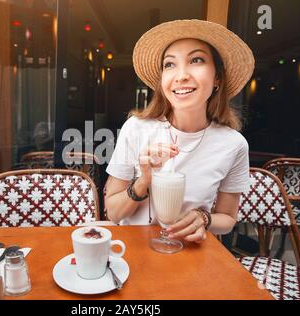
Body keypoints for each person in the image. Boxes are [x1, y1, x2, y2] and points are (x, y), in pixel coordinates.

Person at [104, 20, 255, 243]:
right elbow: (114, 213)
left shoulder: (233, 145)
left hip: (190, 252)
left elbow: (228, 218)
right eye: (169, 64)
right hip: (133, 251)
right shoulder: (136, 128)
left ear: (217, 79)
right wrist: (143, 180)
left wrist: (204, 218)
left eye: (196, 60)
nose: (181, 75)